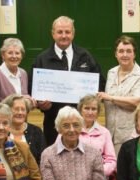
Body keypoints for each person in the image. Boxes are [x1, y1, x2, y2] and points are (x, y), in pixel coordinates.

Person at [30, 15, 104, 146]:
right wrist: (40, 104)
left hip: (82, 122)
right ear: (53, 34)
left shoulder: (85, 56)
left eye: (67, 32)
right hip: (53, 122)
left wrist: (93, 102)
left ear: (73, 34)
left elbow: (100, 83)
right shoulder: (41, 59)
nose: (64, 36)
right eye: (60, 32)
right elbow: (32, 89)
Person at [98, 35, 140, 153]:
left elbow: (137, 102)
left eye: (129, 51)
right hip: (110, 133)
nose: (125, 55)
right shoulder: (111, 72)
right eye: (121, 51)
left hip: (130, 135)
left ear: (134, 54)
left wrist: (110, 98)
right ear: (116, 54)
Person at [74, 94, 117, 177]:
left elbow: (111, 160)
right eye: (86, 108)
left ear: (97, 112)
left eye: (93, 109)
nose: (90, 112)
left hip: (98, 178)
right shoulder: (71, 130)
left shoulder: (104, 132)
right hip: (75, 178)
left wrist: (99, 172)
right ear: (80, 110)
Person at [5, 94, 47, 165]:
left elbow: (43, 159)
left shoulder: (36, 131)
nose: (20, 112)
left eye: (23, 109)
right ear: (8, 111)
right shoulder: (1, 131)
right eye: (16, 109)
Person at [0, 37, 29, 105]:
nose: (14, 56)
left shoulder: (23, 73)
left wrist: (30, 101)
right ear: (3, 55)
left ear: (21, 56)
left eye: (17, 53)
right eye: (10, 53)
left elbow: (24, 101)